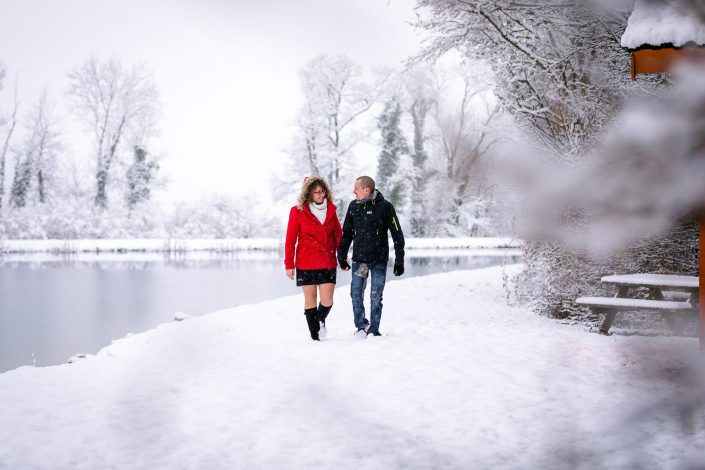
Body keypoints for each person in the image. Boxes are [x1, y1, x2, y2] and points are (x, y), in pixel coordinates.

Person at [337, 176, 405, 337]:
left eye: (356, 188)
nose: (353, 191)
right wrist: (341, 255)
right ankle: (361, 327)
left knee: (376, 296)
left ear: (367, 190)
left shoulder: (386, 207)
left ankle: (374, 330)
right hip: (360, 260)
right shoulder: (354, 206)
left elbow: (397, 235)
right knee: (355, 293)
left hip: (379, 261)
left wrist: (399, 260)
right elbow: (346, 233)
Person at [285, 176, 343, 341]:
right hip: (305, 261)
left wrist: (343, 257)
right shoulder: (297, 211)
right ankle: (314, 336)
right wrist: (289, 264)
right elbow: (290, 239)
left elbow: (338, 235)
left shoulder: (331, 210)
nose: (320, 195)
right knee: (310, 298)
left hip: (327, 260)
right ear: (309, 194)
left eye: (322, 191)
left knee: (328, 299)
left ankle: (320, 320)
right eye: (316, 192)